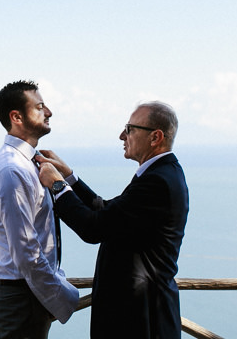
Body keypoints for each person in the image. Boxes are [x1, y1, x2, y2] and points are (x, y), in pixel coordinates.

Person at [37, 101, 189, 339]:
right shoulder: (161, 174)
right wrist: (70, 177)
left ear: (155, 137)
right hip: (140, 315)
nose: (121, 135)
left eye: (129, 129)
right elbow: (107, 211)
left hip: (140, 319)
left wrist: (57, 186)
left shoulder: (157, 181)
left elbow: (93, 228)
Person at [0, 80, 80, 339]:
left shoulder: (29, 164)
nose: (48, 112)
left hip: (27, 296)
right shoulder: (12, 170)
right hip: (20, 299)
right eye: (39, 107)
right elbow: (26, 252)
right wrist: (60, 297)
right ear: (16, 117)